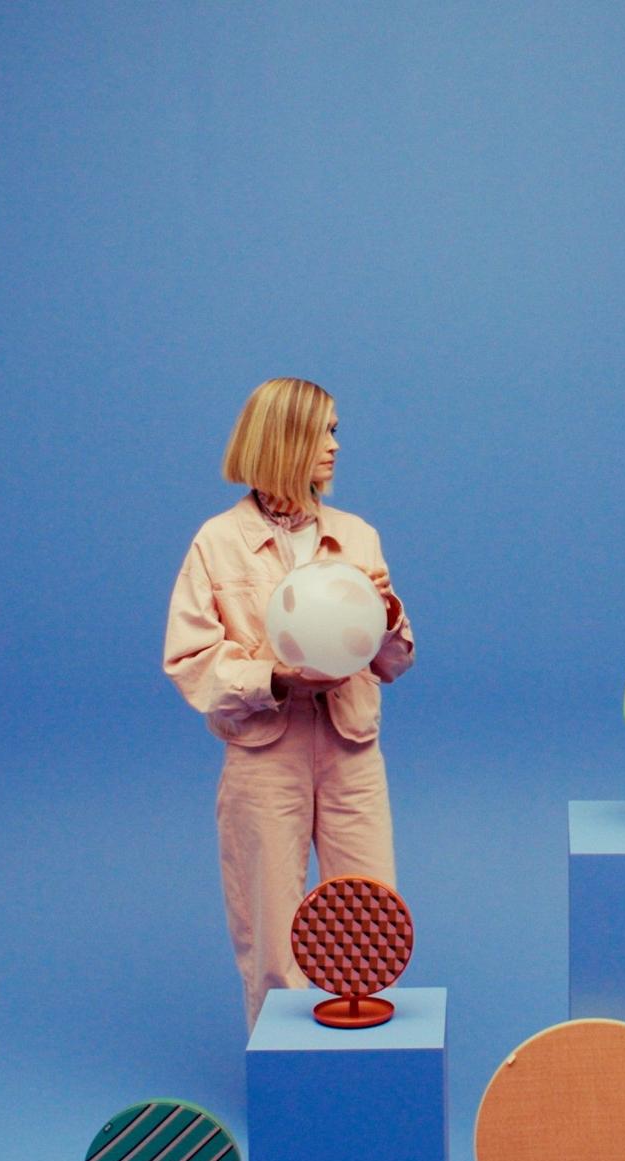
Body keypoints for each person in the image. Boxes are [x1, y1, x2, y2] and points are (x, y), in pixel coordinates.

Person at [163, 378, 415, 1029]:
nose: (334, 446)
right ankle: (289, 1089)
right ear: (284, 440)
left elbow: (396, 662)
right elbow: (190, 664)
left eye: (335, 431)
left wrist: (384, 614)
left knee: (370, 923)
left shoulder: (358, 536)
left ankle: (358, 1075)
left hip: (351, 752)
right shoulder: (217, 544)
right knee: (274, 938)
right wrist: (273, 679)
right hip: (264, 758)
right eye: (322, 431)